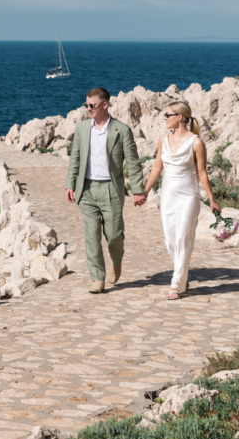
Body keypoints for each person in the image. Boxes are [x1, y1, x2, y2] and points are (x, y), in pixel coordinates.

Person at [64, 87, 146, 294]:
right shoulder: (82, 128)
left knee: (114, 235)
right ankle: (97, 278)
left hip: (111, 189)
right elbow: (75, 158)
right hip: (87, 189)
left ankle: (116, 261)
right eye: (86, 105)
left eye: (92, 105)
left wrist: (138, 190)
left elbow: (133, 163)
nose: (88, 109)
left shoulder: (122, 130)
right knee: (91, 235)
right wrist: (70, 184)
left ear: (105, 105)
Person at [142, 101, 221, 300]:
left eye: (168, 114)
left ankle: (175, 285)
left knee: (183, 238)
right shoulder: (163, 140)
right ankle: (183, 276)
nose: (164, 118)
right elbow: (157, 168)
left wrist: (211, 199)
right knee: (170, 240)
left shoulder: (196, 142)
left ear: (180, 117)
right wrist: (144, 192)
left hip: (189, 197)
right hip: (167, 196)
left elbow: (202, 173)